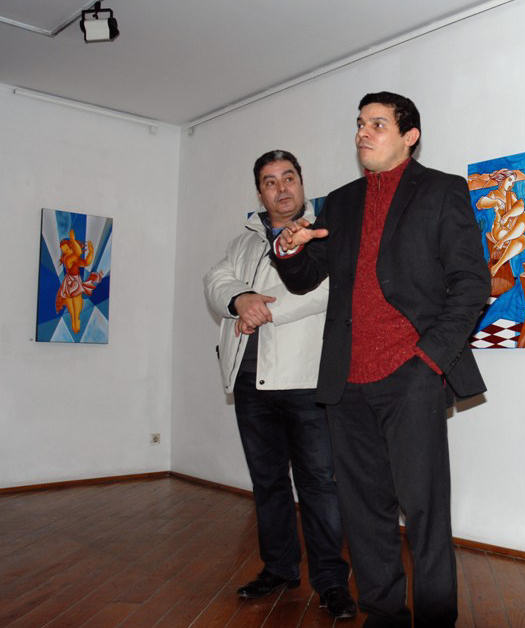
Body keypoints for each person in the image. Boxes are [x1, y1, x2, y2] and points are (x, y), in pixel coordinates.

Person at [272, 92, 490, 627]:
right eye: (359, 124)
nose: (362, 133)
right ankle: (384, 615)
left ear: (409, 136)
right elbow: (305, 277)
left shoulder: (442, 191)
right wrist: (290, 248)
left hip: (411, 375)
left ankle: (435, 618)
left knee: (424, 511)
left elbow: (471, 284)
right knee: (364, 512)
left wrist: (428, 360)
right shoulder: (340, 202)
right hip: (345, 381)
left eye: (377, 124)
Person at [203, 150, 356, 620]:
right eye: (270, 181)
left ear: (301, 183)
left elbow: (328, 291)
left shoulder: (323, 232)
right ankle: (279, 568)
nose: (282, 188)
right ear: (260, 192)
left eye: (289, 177)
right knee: (267, 482)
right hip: (248, 381)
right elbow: (215, 279)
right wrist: (239, 299)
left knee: (318, 484)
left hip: (304, 380)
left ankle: (331, 581)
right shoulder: (244, 242)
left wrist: (260, 312)